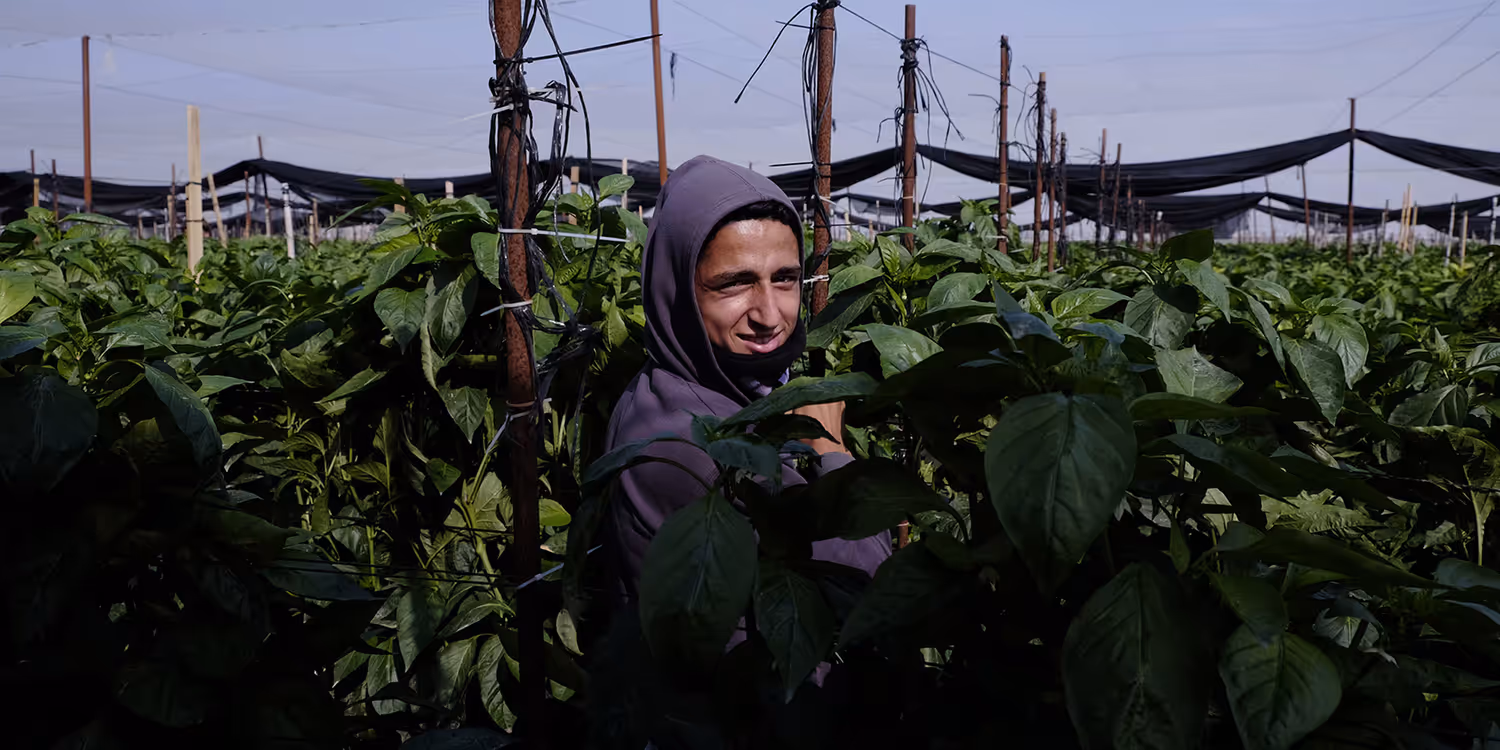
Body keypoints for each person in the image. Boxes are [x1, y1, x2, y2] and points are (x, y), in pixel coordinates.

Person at [601, 155, 891, 608]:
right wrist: (831, 451)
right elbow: (872, 582)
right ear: (676, 292)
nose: (770, 315)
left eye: (785, 279)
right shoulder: (700, 447)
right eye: (733, 284)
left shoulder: (671, 390)